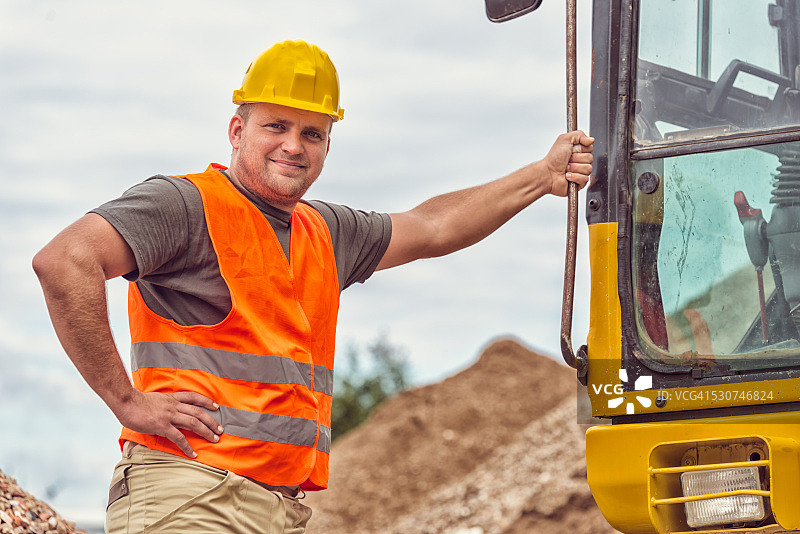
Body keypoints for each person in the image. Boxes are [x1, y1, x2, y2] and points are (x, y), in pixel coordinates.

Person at [33, 40, 594, 534]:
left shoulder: (325, 232)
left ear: (328, 146)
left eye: (312, 133)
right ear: (237, 130)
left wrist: (542, 176)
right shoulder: (185, 205)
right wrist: (125, 401)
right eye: (275, 126)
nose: (293, 146)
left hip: (278, 507)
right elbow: (64, 261)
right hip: (190, 495)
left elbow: (433, 227)